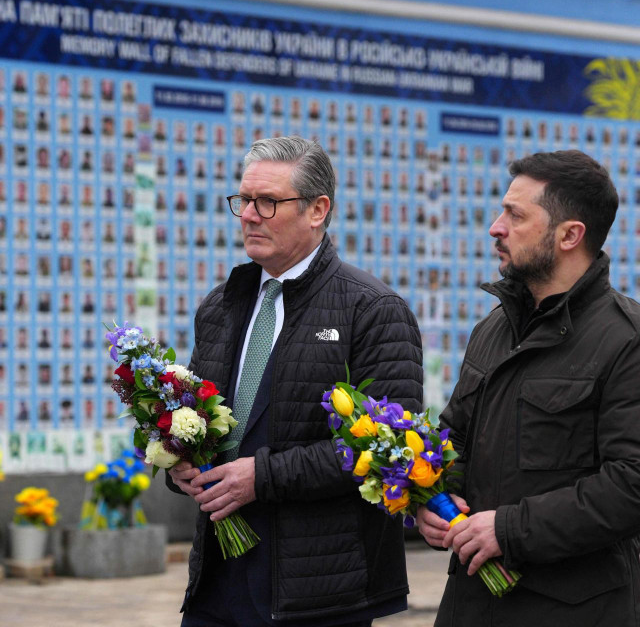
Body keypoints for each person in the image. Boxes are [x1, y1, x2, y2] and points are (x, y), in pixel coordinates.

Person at [167, 136, 423, 627]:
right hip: (217, 580)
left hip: (319, 590)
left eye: (268, 201)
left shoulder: (371, 309)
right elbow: (198, 420)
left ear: (317, 210)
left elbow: (390, 450)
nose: (249, 214)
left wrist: (262, 477)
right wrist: (180, 463)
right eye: (243, 200)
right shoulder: (221, 306)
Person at [417, 150, 640, 626]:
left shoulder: (627, 341)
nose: (496, 227)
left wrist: (509, 529)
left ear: (569, 235)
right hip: (470, 603)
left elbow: (631, 485)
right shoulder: (493, 328)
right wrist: (431, 500)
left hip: (574, 611)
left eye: (515, 215)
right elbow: (454, 439)